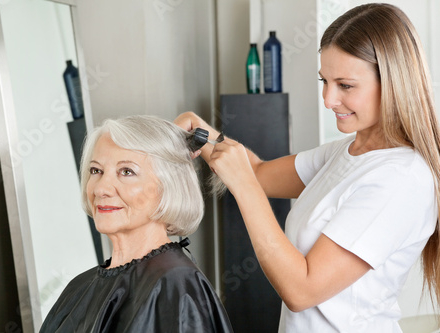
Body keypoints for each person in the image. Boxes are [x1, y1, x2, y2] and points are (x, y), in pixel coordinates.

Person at [175, 3, 440, 332]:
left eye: (345, 85)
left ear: (394, 83)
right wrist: (202, 132)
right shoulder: (347, 152)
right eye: (324, 81)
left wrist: (243, 187)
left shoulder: (400, 178)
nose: (329, 99)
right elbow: (258, 174)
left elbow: (301, 290)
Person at [40, 115, 233, 332]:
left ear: (168, 186)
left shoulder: (175, 286)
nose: (101, 189)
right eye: (96, 171)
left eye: (127, 172)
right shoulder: (79, 287)